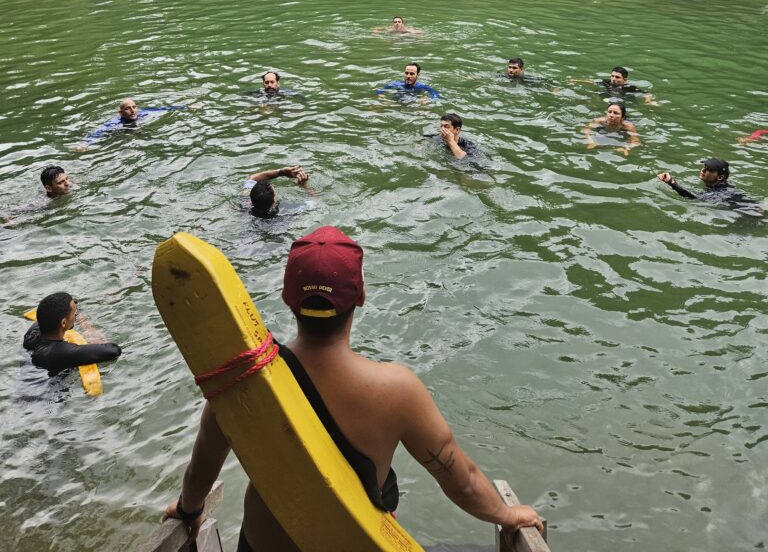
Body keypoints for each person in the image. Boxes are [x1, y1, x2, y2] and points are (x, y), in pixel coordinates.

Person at [162, 226, 543, 549]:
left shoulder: (244, 378)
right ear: (359, 297)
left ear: (286, 297)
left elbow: (203, 465)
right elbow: (462, 482)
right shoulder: (396, 391)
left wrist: (188, 511)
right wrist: (507, 515)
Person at [22, 292, 122, 377]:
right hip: (47, 396)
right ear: (63, 323)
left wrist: (84, 323)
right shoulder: (62, 352)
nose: (76, 315)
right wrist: (90, 331)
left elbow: (73, 304)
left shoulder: (32, 335)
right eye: (74, 314)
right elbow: (113, 350)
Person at [657, 158, 763, 216]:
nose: (703, 170)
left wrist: (672, 183)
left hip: (751, 215)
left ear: (720, 177)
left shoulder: (721, 192)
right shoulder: (720, 188)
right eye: (704, 167)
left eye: (709, 170)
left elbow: (695, 198)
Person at [83, 98, 192, 142]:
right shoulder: (116, 122)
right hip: (124, 130)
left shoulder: (143, 113)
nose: (132, 110)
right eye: (128, 108)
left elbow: (162, 109)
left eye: (134, 107)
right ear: (121, 113)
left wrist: (185, 107)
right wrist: (86, 143)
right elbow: (99, 131)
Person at [242, 165, 315, 219]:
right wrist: (305, 185)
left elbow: (252, 178)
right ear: (274, 200)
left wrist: (281, 172)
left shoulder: (245, 204)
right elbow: (314, 201)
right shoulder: (286, 211)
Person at [571, 67, 656, 105]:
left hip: (622, 101)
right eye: (612, 76)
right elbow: (591, 81)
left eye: (617, 77)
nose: (613, 79)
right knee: (594, 97)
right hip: (608, 97)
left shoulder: (629, 87)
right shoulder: (607, 82)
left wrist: (649, 101)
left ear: (625, 79)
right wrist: (576, 80)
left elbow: (647, 93)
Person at [376, 63, 441, 101]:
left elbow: (437, 95)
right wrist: (380, 94)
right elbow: (379, 90)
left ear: (418, 75)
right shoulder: (396, 84)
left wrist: (428, 99)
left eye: (411, 74)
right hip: (395, 104)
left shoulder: (422, 86)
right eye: (406, 73)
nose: (408, 76)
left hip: (413, 105)